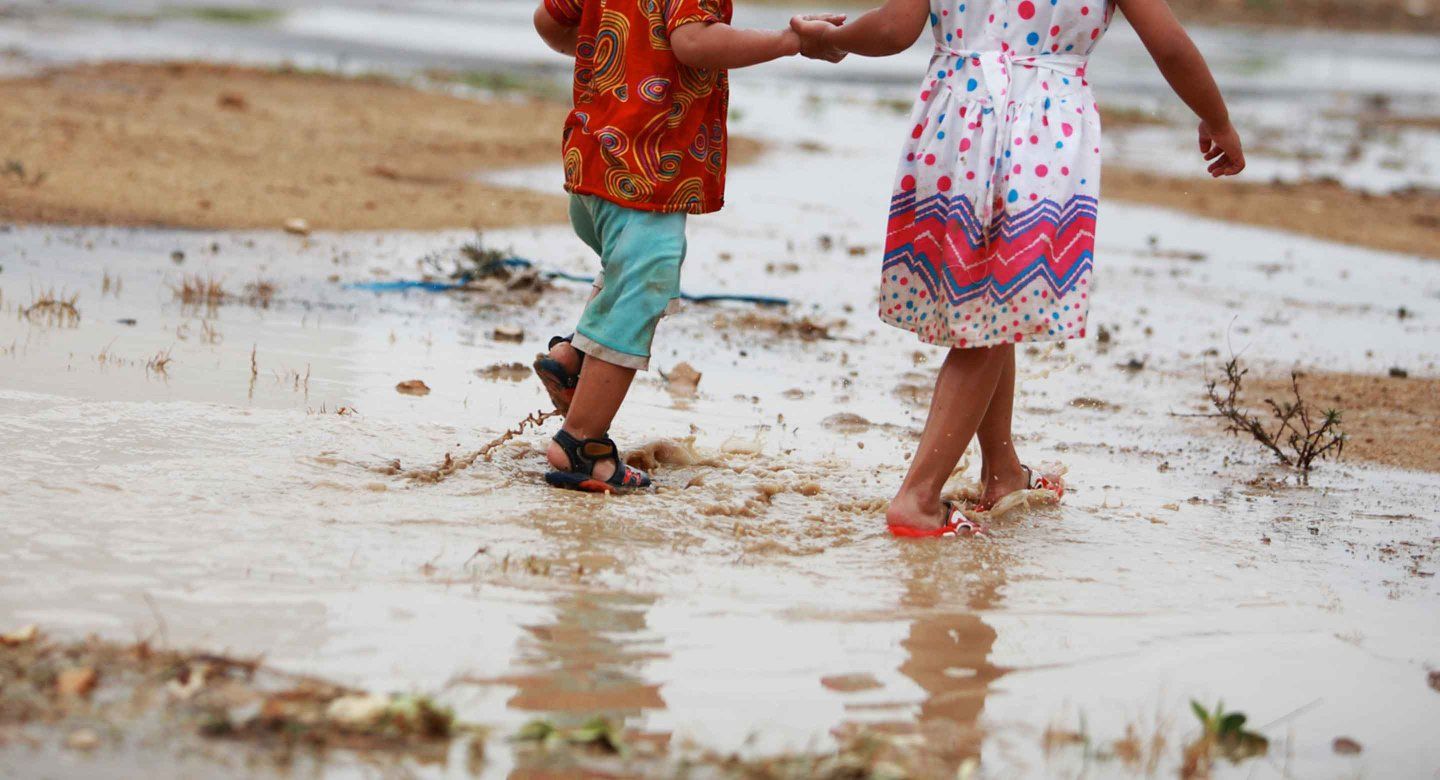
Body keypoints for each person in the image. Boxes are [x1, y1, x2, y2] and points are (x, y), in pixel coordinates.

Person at [791, 0, 1245, 536]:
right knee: (991, 310)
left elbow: (893, 29)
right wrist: (1217, 119)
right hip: (1042, 130)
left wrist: (834, 38)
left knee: (990, 308)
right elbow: (1167, 45)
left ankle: (1003, 473)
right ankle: (918, 497)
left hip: (953, 121)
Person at [530, 0, 845, 493]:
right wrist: (793, 41)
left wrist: (625, 56)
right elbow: (695, 43)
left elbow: (549, 21)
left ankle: (573, 359)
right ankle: (580, 443)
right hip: (646, 167)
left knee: (624, 274)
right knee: (640, 290)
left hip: (593, 156)